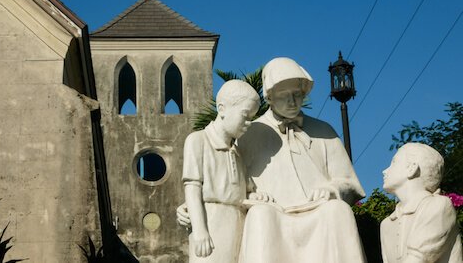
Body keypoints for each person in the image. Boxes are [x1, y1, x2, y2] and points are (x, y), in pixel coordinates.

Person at [177, 57, 366, 262]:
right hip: (275, 218)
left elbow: (349, 182)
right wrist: (189, 206)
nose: (292, 102)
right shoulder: (248, 132)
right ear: (269, 97)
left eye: (297, 94)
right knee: (261, 217)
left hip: (319, 215)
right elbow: (227, 181)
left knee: (338, 210)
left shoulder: (324, 131)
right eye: (285, 96)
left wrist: (333, 190)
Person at [183, 80, 260, 262]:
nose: (248, 122)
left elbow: (246, 190)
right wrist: (200, 230)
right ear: (222, 108)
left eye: (252, 117)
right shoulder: (198, 140)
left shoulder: (238, 153)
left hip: (237, 223)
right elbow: (192, 187)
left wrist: (256, 196)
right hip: (212, 222)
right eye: (245, 115)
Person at [380, 143, 462, 263]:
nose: (384, 171)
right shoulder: (387, 224)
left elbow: (418, 258)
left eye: (394, 163)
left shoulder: (439, 206)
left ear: (412, 169)